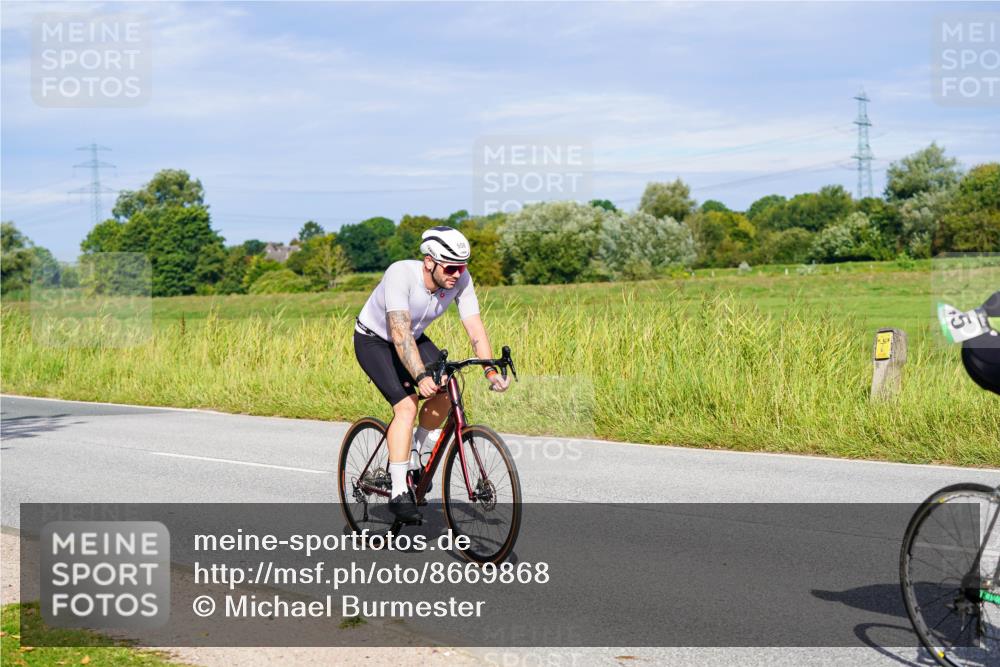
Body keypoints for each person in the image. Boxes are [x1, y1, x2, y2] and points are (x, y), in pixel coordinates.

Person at [353, 226, 510, 522]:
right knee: (407, 405)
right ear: (429, 262)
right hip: (375, 340)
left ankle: (416, 447)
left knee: (449, 387)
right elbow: (399, 332)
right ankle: (399, 491)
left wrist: (490, 370)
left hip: (413, 336)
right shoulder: (400, 274)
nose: (457, 274)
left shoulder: (461, 279)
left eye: (462, 267)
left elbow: (474, 328)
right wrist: (420, 376)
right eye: (450, 267)